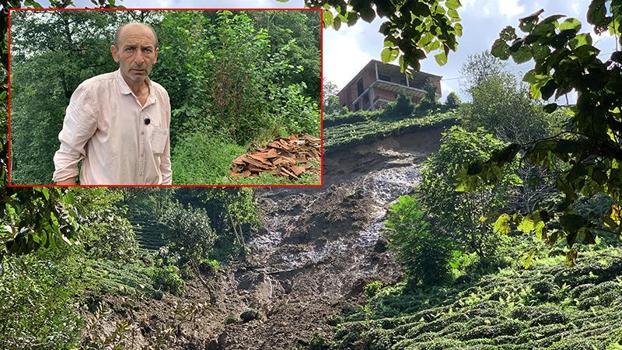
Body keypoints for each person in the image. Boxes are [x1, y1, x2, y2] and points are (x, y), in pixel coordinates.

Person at [52, 22, 172, 185]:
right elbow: (67, 158)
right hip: (101, 204)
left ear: (155, 55)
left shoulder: (161, 96)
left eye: (146, 50)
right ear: (115, 53)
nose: (139, 59)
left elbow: (164, 162)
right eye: (130, 49)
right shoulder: (93, 92)